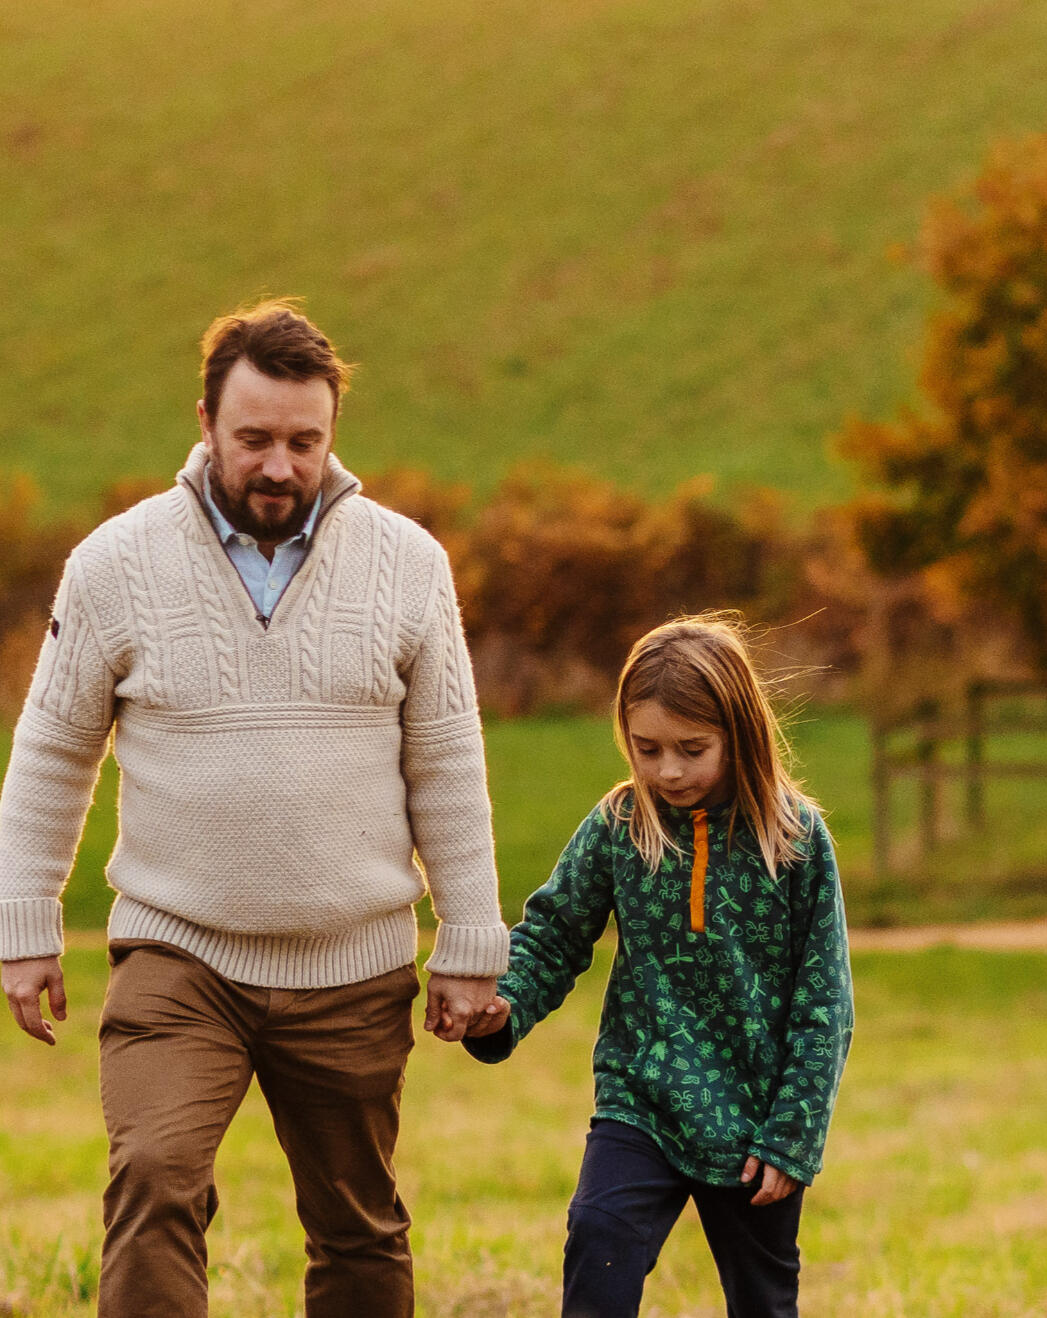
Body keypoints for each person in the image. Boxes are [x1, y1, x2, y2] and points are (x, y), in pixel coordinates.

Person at [0, 299, 506, 1318]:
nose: (280, 466)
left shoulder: (409, 565)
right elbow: (52, 753)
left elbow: (447, 761)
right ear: (206, 422)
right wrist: (24, 924)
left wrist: (470, 939)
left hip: (354, 964)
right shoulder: (113, 565)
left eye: (303, 442)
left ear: (332, 433)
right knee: (153, 1175)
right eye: (255, 439)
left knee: (358, 1224)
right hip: (179, 956)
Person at [462, 615, 853, 1318]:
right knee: (598, 1238)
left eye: (691, 749)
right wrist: (505, 1006)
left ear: (740, 734)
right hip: (640, 1101)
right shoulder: (620, 827)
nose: (667, 770)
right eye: (647, 749)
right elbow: (553, 935)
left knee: (764, 1304)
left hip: (754, 1123)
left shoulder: (796, 842)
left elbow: (823, 1002)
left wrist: (791, 1136)